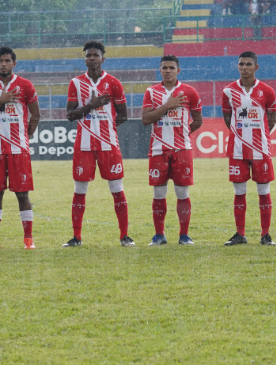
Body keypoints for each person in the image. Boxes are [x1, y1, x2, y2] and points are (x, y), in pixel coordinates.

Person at [63, 41, 133, 247]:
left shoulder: (114, 83)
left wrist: (105, 129)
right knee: (80, 189)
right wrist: (90, 106)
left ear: (103, 58)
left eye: (95, 55)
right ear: (85, 59)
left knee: (117, 188)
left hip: (108, 145)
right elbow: (69, 115)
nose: (91, 58)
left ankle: (124, 236)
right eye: (88, 56)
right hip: (83, 146)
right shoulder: (75, 83)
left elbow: (123, 116)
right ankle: (76, 237)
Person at [0, 46, 40, 250]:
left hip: (18, 149)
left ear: (14, 63)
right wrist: (0, 102)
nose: (4, 64)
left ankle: (28, 239)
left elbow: (35, 115)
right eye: (0, 61)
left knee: (22, 194)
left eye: (7, 60)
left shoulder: (25, 85)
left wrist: (26, 135)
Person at [142, 56, 203, 245]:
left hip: (182, 150)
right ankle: (159, 235)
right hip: (159, 150)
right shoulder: (151, 92)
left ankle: (184, 235)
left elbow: (198, 120)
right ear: (159, 70)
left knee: (182, 193)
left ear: (178, 70)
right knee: (159, 194)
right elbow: (146, 119)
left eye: (171, 68)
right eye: (164, 68)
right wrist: (167, 105)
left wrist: (183, 133)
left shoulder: (190, 92)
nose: (168, 71)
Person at [221, 51, 276, 246]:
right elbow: (228, 118)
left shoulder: (267, 91)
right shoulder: (228, 91)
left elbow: (271, 120)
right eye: (241, 64)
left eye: (248, 64)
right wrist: (242, 134)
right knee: (239, 191)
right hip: (237, 149)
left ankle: (265, 235)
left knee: (263, 191)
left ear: (256, 67)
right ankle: (240, 234)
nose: (244, 67)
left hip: (261, 149)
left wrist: (257, 135)